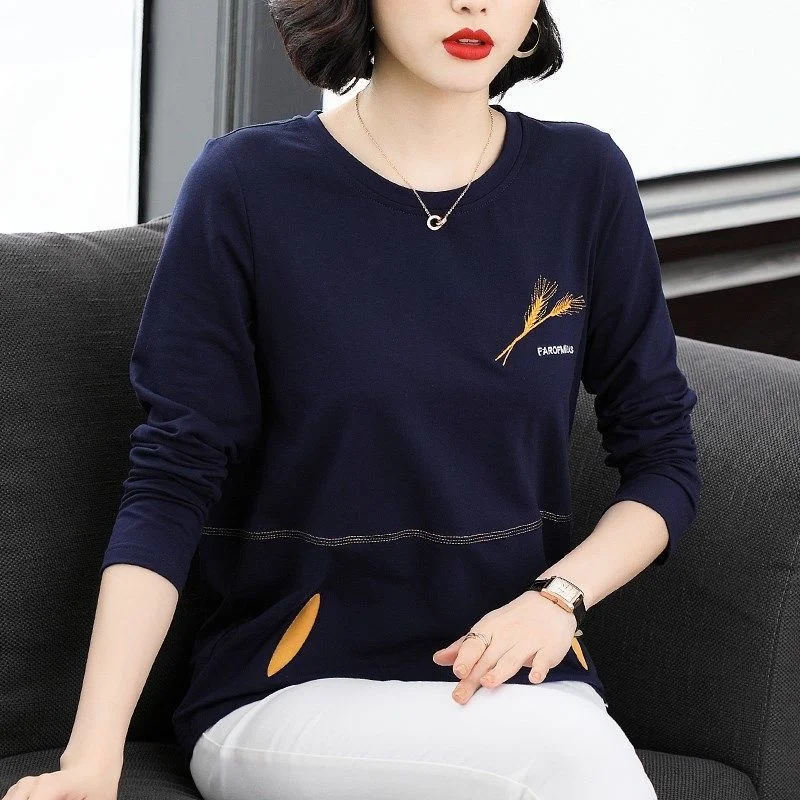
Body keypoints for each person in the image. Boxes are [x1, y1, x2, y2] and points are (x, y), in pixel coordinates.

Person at [2, 1, 701, 799]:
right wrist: (92, 757)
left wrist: (557, 599)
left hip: (518, 679)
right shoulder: (249, 185)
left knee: (563, 745)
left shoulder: (583, 178)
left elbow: (663, 460)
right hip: (286, 691)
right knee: (566, 758)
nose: (474, 4)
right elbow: (171, 480)